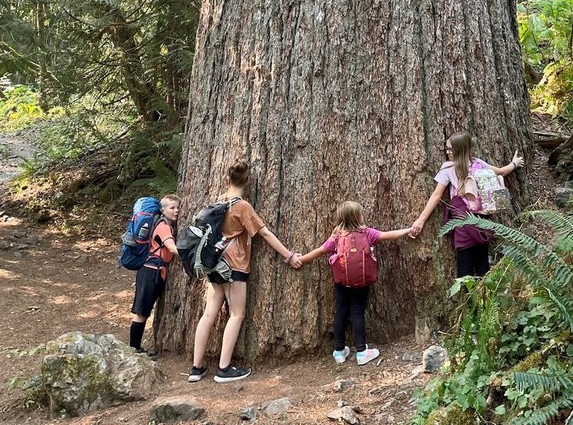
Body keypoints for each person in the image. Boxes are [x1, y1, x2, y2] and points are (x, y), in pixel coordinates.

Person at [189, 160, 302, 384]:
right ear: (247, 181)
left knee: (209, 313)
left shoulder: (216, 202)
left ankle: (196, 368)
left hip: (213, 263)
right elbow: (265, 234)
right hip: (234, 265)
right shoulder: (242, 207)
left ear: (227, 179)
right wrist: (288, 255)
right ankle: (223, 368)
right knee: (237, 314)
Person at [298, 201, 411, 366]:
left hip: (342, 282)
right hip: (361, 281)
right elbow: (388, 235)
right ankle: (361, 351)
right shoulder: (367, 234)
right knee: (357, 313)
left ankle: (338, 351)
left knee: (341, 312)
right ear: (359, 216)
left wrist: (300, 259)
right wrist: (408, 230)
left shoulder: (337, 237)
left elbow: (320, 251)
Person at [411, 132, 524, 278]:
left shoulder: (450, 169)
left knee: (466, 267)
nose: (447, 153)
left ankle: (471, 298)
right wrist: (514, 164)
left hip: (464, 224)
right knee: (482, 265)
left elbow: (436, 195)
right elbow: (501, 171)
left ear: (459, 150)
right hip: (481, 222)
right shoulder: (477, 164)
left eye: (450, 149)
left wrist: (421, 219)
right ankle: (484, 296)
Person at [129, 193, 180, 354]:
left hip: (156, 272)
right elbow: (171, 248)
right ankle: (134, 349)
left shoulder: (166, 225)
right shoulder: (163, 227)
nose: (176, 211)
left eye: (178, 207)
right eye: (172, 208)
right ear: (163, 210)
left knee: (144, 310)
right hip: (150, 273)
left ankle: (136, 347)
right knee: (142, 312)